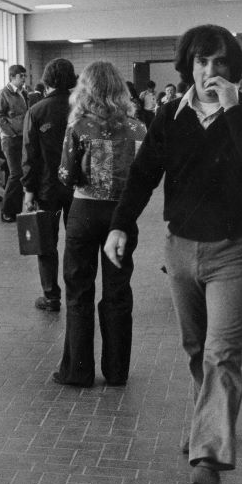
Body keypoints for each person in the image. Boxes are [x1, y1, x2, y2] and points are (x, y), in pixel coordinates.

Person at [104, 24, 242, 484]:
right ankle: (207, 422)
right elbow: (142, 176)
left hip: (233, 252)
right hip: (180, 250)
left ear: (233, 68)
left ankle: (208, 453)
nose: (209, 71)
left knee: (222, 354)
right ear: (189, 67)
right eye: (201, 62)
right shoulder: (169, 117)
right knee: (196, 349)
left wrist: (233, 111)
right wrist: (120, 225)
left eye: (219, 62)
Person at [54, 61, 147, 387]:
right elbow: (143, 177)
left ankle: (77, 370)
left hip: (84, 213)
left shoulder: (78, 128)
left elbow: (66, 176)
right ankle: (117, 370)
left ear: (86, 90)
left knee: (79, 291)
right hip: (121, 217)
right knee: (118, 292)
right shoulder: (137, 130)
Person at [22, 58, 77, 312]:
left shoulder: (36, 111)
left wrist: (28, 190)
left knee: (47, 242)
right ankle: (77, 292)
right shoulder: (82, 108)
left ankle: (51, 296)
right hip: (79, 188)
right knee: (77, 241)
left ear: (47, 79)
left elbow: (30, 156)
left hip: (47, 189)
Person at [0, 64, 29, 222]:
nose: (24, 79)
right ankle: (6, 211)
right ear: (12, 77)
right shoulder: (3, 94)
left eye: (24, 76)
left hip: (21, 138)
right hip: (10, 140)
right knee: (16, 174)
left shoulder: (23, 93)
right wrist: (12, 133)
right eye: (21, 76)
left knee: (17, 174)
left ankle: (14, 210)